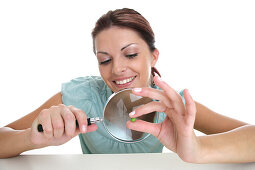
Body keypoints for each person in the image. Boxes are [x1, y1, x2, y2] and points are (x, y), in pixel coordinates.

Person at [0, 8, 253, 163]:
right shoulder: (80, 96)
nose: (117, 69)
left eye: (130, 54)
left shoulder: (172, 105)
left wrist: (197, 150)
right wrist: (31, 139)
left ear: (153, 56)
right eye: (105, 60)